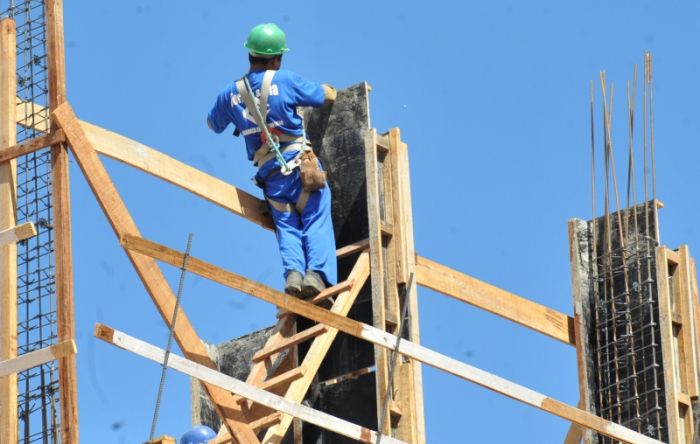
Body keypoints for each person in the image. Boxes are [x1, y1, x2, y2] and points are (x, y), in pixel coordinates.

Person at [207, 23, 338, 298]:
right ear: (277, 58)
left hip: (271, 178)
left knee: (287, 225)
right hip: (300, 166)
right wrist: (329, 90)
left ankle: (293, 274)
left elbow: (212, 124)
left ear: (249, 55)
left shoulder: (229, 93)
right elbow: (320, 95)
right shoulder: (286, 80)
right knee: (315, 218)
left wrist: (239, 116)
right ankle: (317, 275)